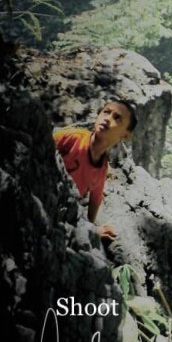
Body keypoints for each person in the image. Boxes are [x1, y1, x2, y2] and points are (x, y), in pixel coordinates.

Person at [53, 99, 137, 242]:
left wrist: (91, 229)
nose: (108, 118)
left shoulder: (101, 169)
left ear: (125, 136)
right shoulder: (71, 138)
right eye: (106, 112)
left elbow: (95, 201)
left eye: (117, 118)